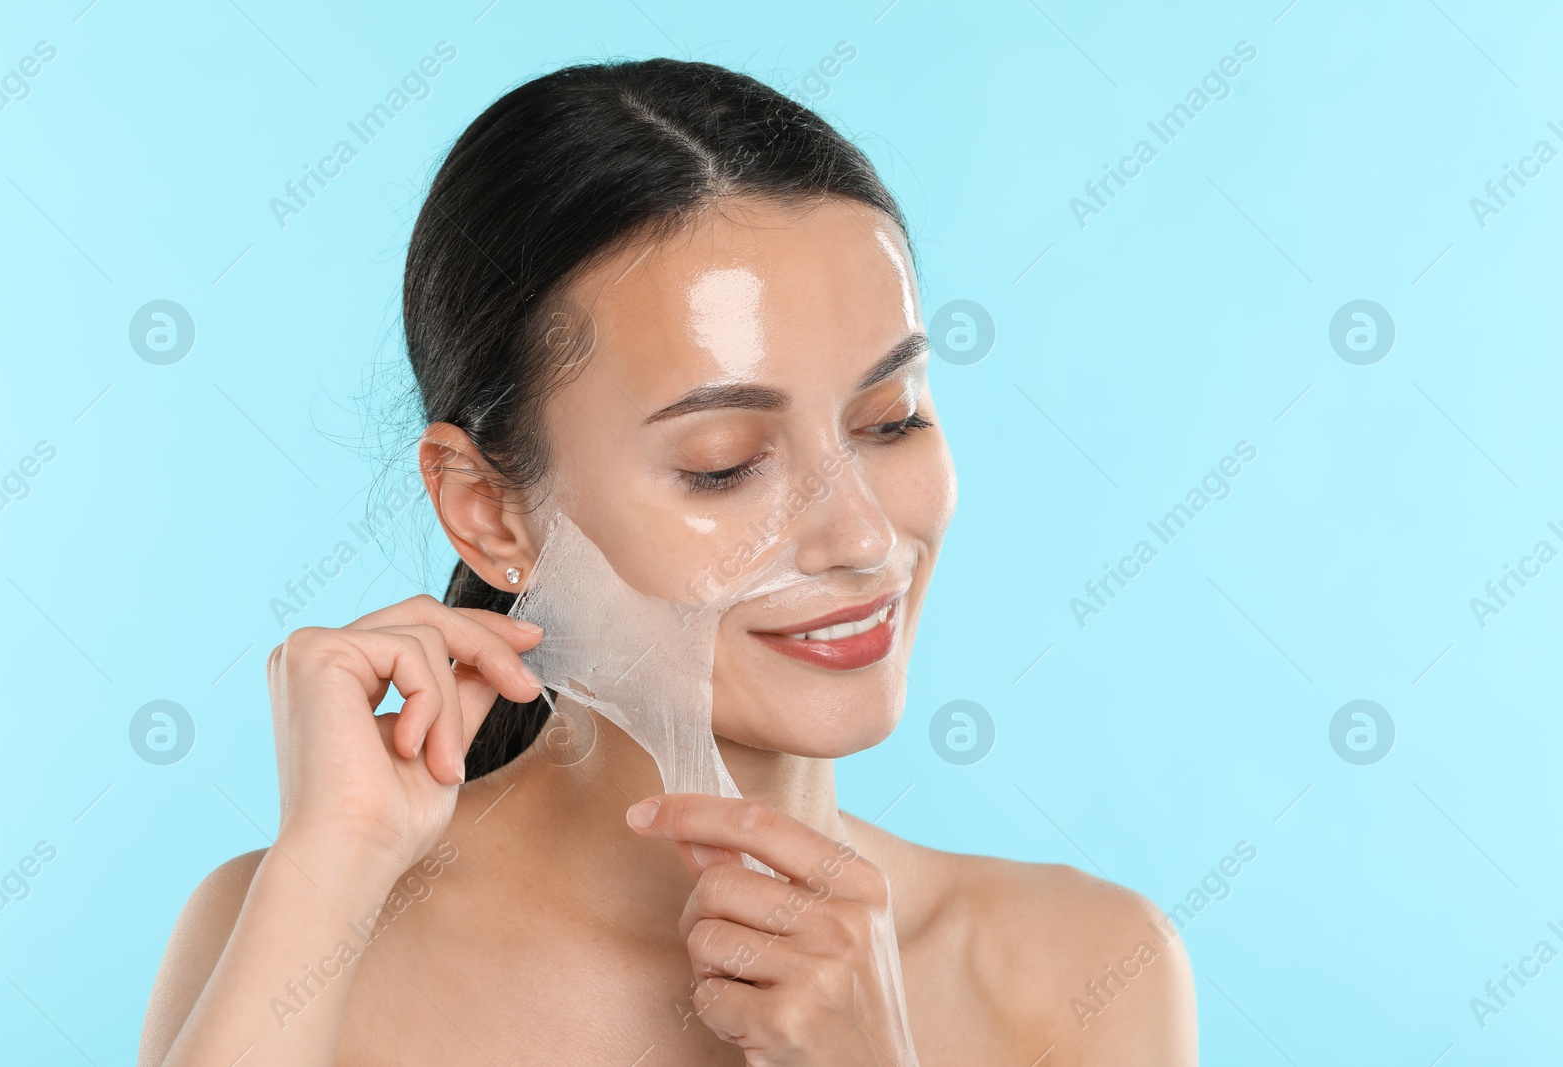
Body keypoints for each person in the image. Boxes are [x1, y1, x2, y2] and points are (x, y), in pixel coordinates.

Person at [139, 58, 1196, 1065]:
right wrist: (329, 871)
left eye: (893, 419)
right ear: (487, 508)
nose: (865, 538)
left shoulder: (1085, 966)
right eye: (724, 465)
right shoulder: (301, 935)